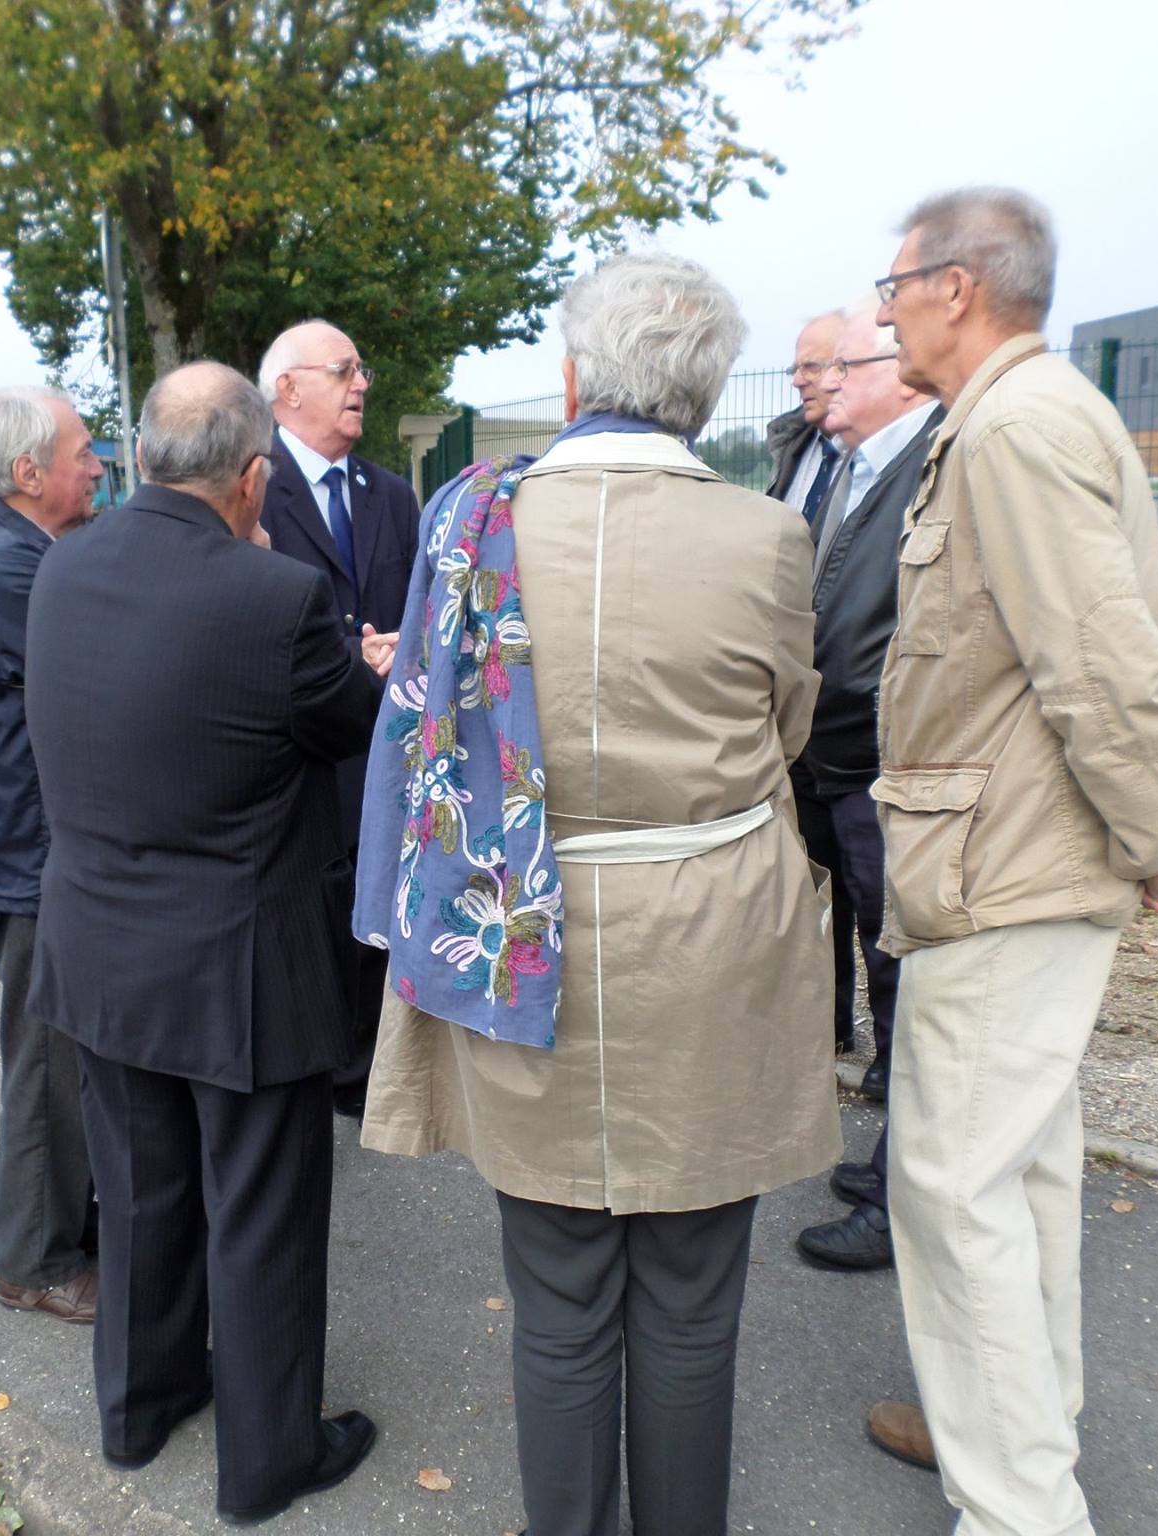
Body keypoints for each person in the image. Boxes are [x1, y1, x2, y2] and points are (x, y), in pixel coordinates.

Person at [356, 253, 842, 1536]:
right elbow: (787, 721)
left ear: (574, 380)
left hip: (519, 934)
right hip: (706, 936)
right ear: (696, 398)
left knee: (559, 1294)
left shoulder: (471, 521)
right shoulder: (766, 533)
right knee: (690, 1296)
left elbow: (421, 729)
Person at [864, 188, 1158, 1532]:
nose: (883, 307)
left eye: (893, 284)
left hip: (1006, 866)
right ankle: (1013, 1427)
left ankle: (1018, 1505)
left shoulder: (1013, 426)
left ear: (959, 286)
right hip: (1011, 857)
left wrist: (1156, 834)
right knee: (1019, 1171)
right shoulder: (1013, 418)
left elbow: (1104, 662)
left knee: (955, 1188)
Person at [23, 361, 397, 1525]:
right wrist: (370, 670)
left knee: (137, 1199)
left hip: (99, 953)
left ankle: (138, 1407)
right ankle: (268, 1459)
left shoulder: (60, 565)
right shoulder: (273, 597)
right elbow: (343, 728)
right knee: (261, 1213)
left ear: (140, 460)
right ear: (249, 478)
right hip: (238, 968)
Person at [0, 384, 104, 1325]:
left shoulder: (16, 549)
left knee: (66, 1057)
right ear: (29, 471)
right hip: (34, 861)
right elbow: (100, 670)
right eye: (81, 451)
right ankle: (33, 1261)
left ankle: (66, 1232)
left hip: (34, 848)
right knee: (45, 1067)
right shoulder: (9, 566)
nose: (97, 464)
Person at [792, 307, 943, 1273]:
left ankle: (901, 1199)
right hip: (842, 762)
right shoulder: (852, 464)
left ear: (900, 372)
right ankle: (897, 1170)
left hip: (890, 767)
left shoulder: (935, 456)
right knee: (884, 969)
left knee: (912, 985)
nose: (827, 382)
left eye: (847, 364)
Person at [257, 320, 423, 1116]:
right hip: (292, 748)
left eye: (362, 370)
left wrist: (401, 648)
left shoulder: (390, 494)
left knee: (373, 901)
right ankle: (309, 1065)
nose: (362, 384)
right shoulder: (252, 488)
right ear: (289, 388)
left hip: (378, 744)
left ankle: (361, 1072)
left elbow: (417, 608)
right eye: (345, 370)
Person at [766, 309, 846, 519]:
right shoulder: (790, 446)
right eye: (795, 370)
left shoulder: (873, 452)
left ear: (847, 365)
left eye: (811, 367)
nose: (797, 381)